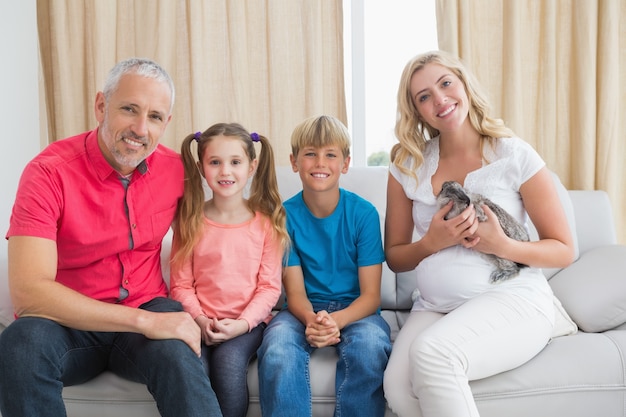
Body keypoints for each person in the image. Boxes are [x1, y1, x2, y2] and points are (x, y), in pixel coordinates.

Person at [0, 58, 223, 417]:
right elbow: (29, 293)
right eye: (129, 109)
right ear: (101, 106)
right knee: (20, 345)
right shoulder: (48, 173)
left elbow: (224, 229)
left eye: (154, 117)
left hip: (147, 305)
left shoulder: (177, 172)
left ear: (165, 123)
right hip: (68, 321)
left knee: (178, 353)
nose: (139, 128)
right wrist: (142, 321)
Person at [383, 50, 576, 417]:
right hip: (436, 307)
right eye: (424, 96)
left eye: (445, 84)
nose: (439, 99)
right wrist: (430, 243)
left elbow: (563, 250)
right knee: (396, 387)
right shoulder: (407, 166)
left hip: (513, 298)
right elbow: (395, 256)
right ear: (416, 110)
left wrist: (501, 244)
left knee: (434, 353)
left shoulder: (514, 154)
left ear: (464, 85)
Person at [257, 115, 392, 417]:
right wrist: (312, 320)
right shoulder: (283, 217)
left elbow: (371, 296)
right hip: (302, 309)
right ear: (294, 162)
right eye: (310, 154)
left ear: (345, 164)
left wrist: (338, 321)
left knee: (369, 348)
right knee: (277, 347)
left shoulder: (364, 214)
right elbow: (295, 294)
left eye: (330, 154)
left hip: (356, 309)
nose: (320, 163)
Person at [170, 123, 289, 417]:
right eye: (215, 162)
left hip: (247, 325)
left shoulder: (266, 223)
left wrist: (242, 324)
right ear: (201, 167)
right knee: (193, 365)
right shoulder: (190, 221)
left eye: (235, 162)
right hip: (199, 321)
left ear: (252, 166)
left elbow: (269, 287)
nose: (225, 171)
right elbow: (181, 284)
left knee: (227, 364)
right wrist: (199, 319)